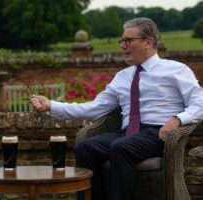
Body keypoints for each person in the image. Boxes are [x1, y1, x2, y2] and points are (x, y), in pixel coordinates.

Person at [31, 17, 203, 200]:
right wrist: (50, 105)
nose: (122, 45)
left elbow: (200, 102)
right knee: (85, 147)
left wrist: (177, 120)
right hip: (127, 134)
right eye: (122, 41)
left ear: (148, 42)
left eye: (128, 40)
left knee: (120, 147)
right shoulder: (122, 77)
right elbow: (94, 108)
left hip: (158, 133)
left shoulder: (176, 70)